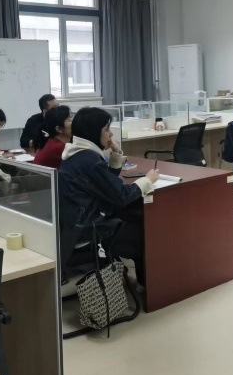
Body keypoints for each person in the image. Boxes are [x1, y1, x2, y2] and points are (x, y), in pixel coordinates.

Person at [59, 107, 160, 268]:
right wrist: (147, 180)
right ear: (93, 132)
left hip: (76, 227)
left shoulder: (75, 154)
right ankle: (143, 281)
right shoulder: (89, 160)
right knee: (148, 234)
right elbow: (121, 195)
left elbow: (105, 185)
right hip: (90, 230)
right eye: (106, 129)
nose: (111, 134)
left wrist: (116, 153)